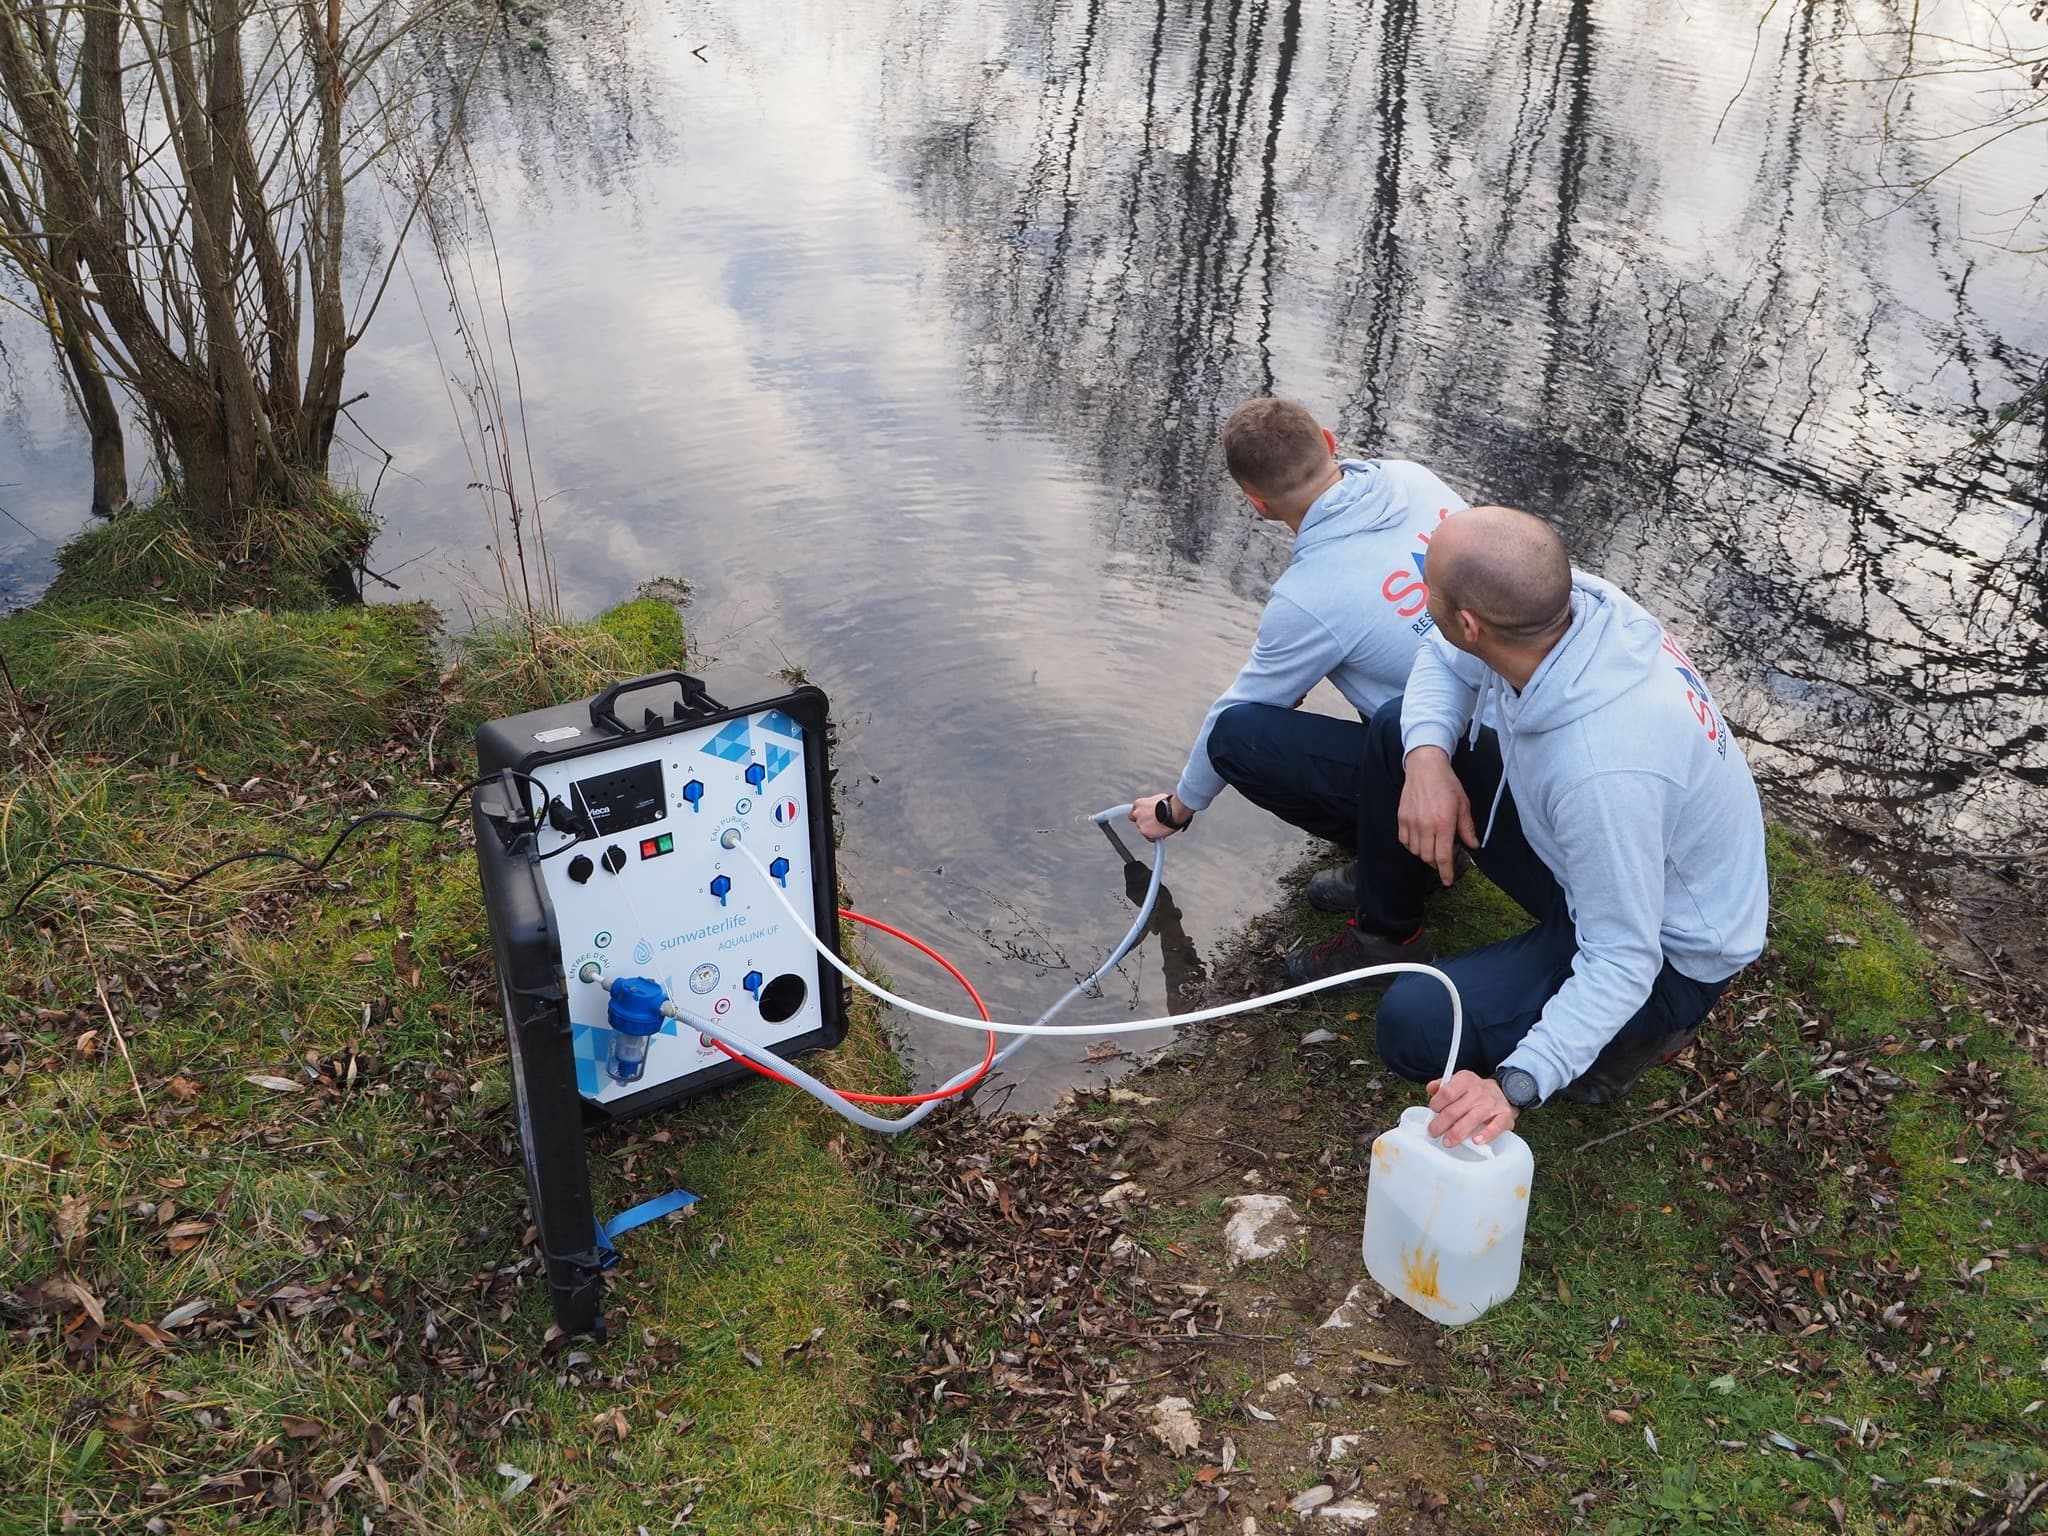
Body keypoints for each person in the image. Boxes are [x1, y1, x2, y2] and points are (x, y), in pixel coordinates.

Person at [1292, 504, 1768, 1146]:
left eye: (1425, 585)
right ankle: (1387, 933)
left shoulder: (1603, 771)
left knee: (1416, 1025)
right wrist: (1428, 759)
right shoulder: (1577, 613)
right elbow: (1441, 656)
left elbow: (1624, 956)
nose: (1420, 593)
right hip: (1603, 861)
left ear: (1470, 621)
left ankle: (1635, 1038)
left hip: (1668, 949)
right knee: (1398, 728)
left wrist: (1517, 1082)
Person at [1126, 399, 1469, 928]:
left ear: (1256, 504)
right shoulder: (1413, 478)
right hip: (1508, 713)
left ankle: (1402, 866)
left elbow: (1235, 713)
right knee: (1380, 675)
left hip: (1466, 765)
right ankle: (1421, 845)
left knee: (1238, 738)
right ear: (1331, 442)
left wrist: (1176, 809)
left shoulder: (1309, 595)